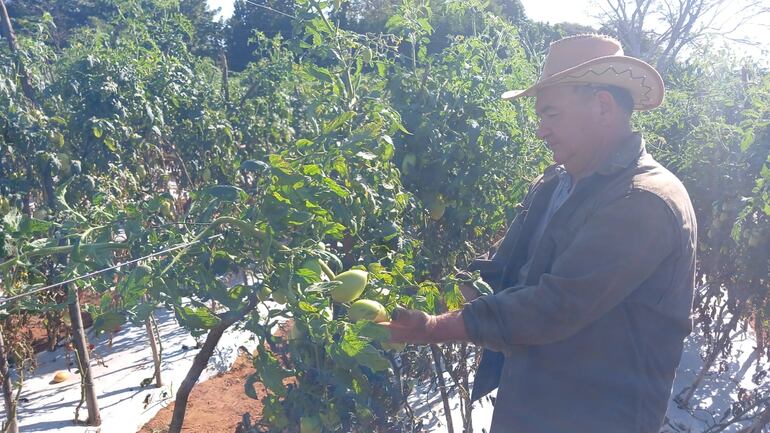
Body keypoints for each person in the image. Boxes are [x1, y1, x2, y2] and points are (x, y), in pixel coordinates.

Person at [382, 34, 697, 433]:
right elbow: (506, 270)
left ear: (602, 106)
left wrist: (435, 328)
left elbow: (556, 305)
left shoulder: (643, 202)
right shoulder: (556, 184)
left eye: (552, 115)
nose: (541, 131)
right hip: (534, 399)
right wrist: (424, 291)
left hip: (597, 416)